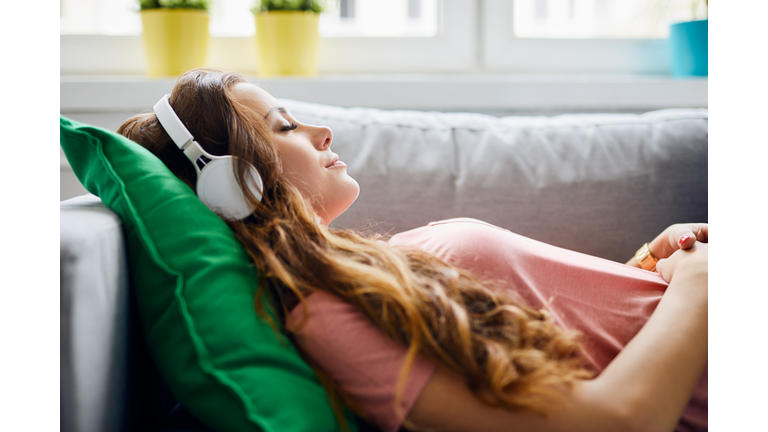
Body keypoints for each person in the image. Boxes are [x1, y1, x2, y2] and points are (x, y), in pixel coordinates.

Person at [118, 68, 708, 432]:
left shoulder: (363, 275)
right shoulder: (331, 319)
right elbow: (621, 419)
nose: (321, 132)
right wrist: (700, 283)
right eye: (284, 125)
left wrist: (649, 266)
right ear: (233, 184)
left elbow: (568, 334)